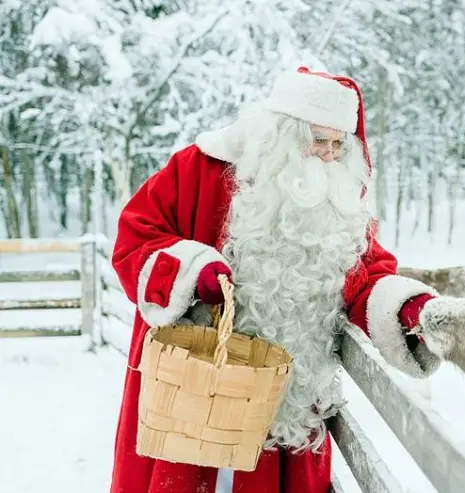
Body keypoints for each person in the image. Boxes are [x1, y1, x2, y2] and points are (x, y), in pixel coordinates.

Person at [110, 66, 443, 493]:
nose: (328, 155)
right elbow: (136, 235)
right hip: (192, 396)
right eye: (318, 141)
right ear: (282, 135)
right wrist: (193, 271)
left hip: (283, 410)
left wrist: (409, 310)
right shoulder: (201, 167)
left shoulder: (339, 203)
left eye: (338, 145)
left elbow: (368, 273)